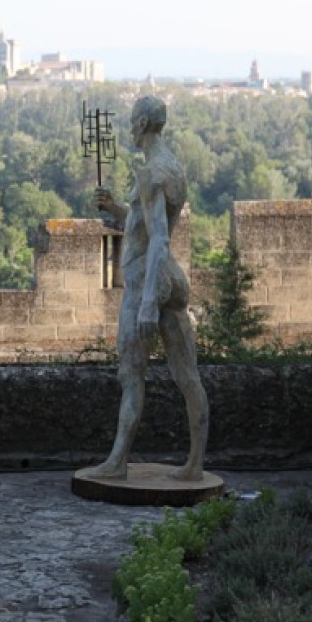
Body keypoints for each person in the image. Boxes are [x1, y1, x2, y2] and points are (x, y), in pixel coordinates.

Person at [85, 95, 209, 481]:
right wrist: (118, 208)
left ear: (140, 124)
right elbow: (147, 223)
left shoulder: (150, 173)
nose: (130, 128)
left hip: (145, 280)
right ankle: (194, 464)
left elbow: (158, 239)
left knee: (131, 373)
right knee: (187, 373)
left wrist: (147, 306)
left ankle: (118, 461)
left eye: (132, 122)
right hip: (171, 278)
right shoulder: (172, 168)